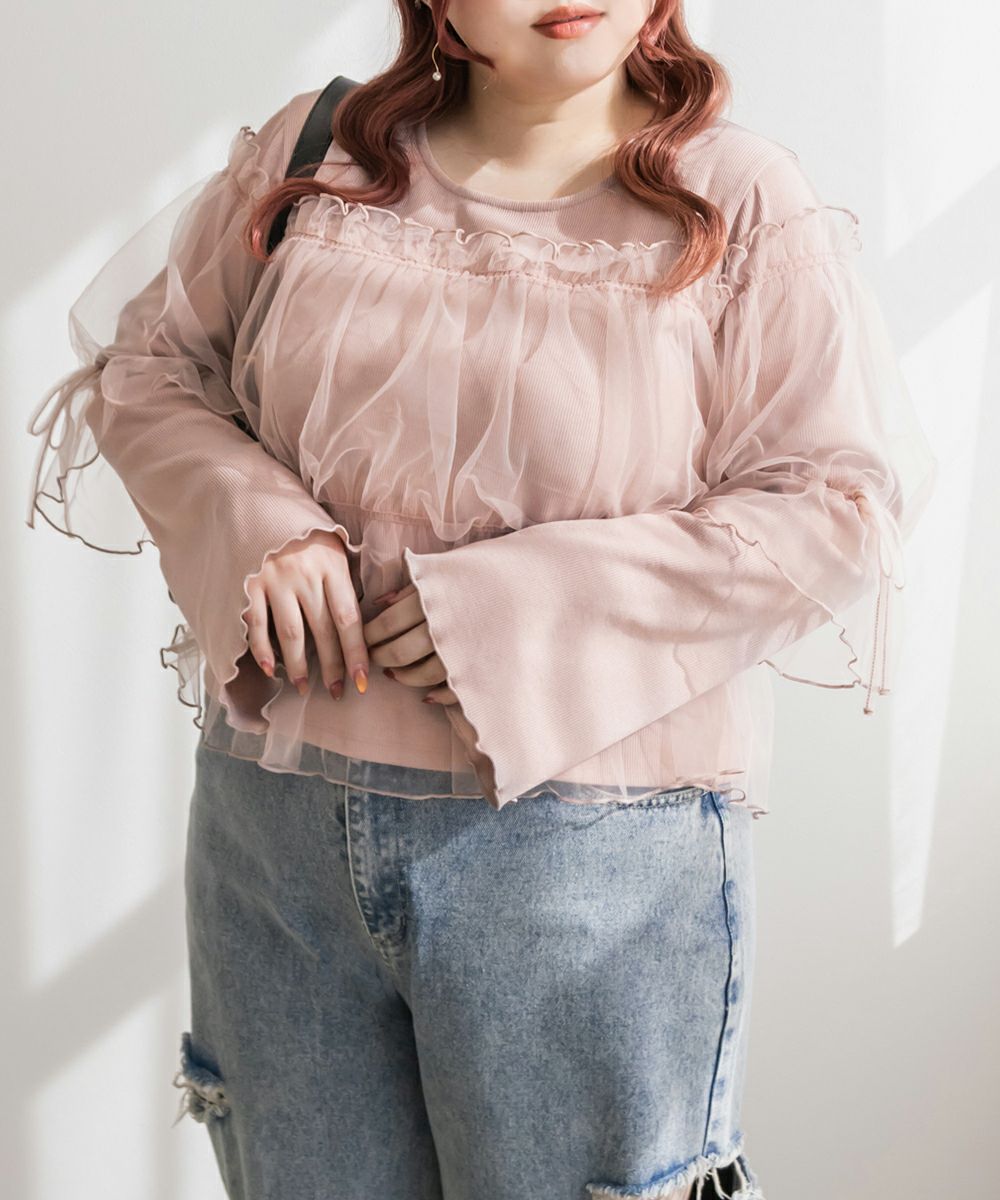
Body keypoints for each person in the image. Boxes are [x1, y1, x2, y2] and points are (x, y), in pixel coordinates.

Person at [24, 2, 938, 1197]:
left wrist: (513, 610)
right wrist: (264, 531)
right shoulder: (318, 153)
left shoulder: (736, 197)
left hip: (588, 853)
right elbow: (148, 372)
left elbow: (834, 501)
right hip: (272, 837)